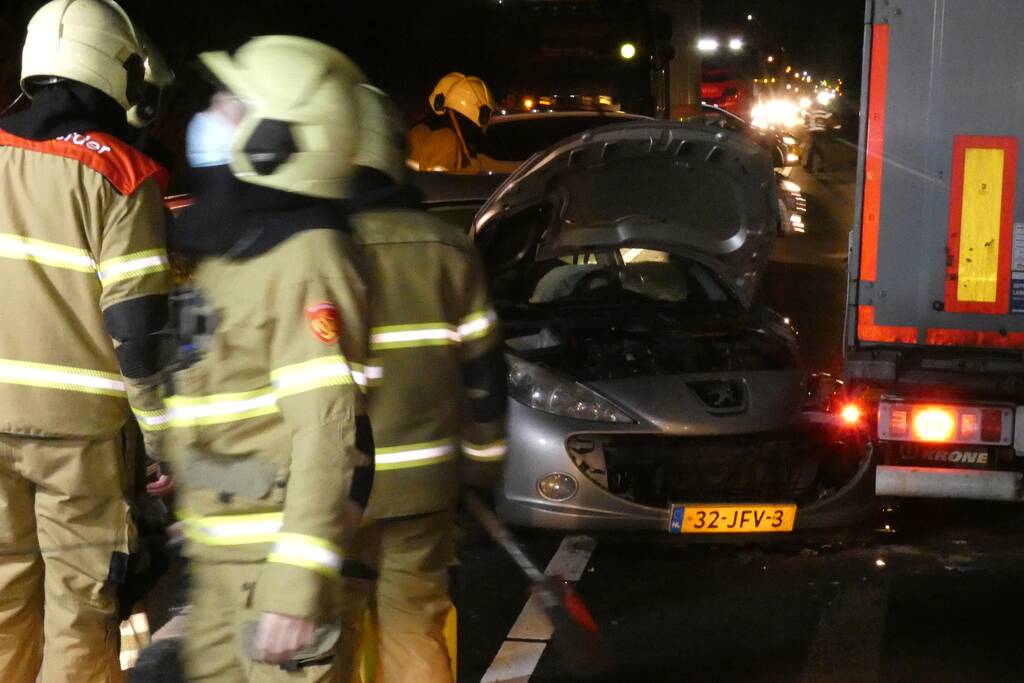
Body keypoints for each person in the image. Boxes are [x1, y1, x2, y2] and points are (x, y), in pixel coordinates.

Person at [165, 36, 377, 681]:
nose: (211, 111)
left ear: (273, 140)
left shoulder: (307, 258)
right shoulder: (235, 253)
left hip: (271, 573)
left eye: (231, 103)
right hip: (223, 559)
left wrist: (295, 581)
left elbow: (327, 428)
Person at [0, 1, 172, 680]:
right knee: (80, 607)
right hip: (81, 437)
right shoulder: (123, 176)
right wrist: (162, 437)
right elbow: (139, 333)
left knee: (5, 595)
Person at [341, 85, 508, 682]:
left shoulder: (308, 252)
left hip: (330, 494)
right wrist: (482, 471)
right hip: (425, 495)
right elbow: (486, 378)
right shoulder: (448, 249)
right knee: (415, 636)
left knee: (325, 647)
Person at [407, 72, 517, 174]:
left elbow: (484, 162)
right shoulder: (445, 139)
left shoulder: (452, 135)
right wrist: (473, 170)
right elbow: (441, 185)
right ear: (481, 112)